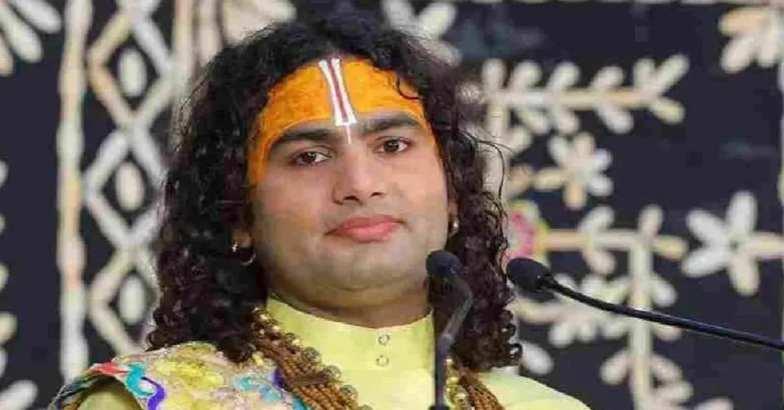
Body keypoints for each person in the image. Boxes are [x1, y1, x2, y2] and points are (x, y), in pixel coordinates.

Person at [50, 11, 589, 410]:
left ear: (452, 193)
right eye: (309, 156)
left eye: (392, 146)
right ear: (238, 215)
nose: (361, 185)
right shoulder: (149, 403)